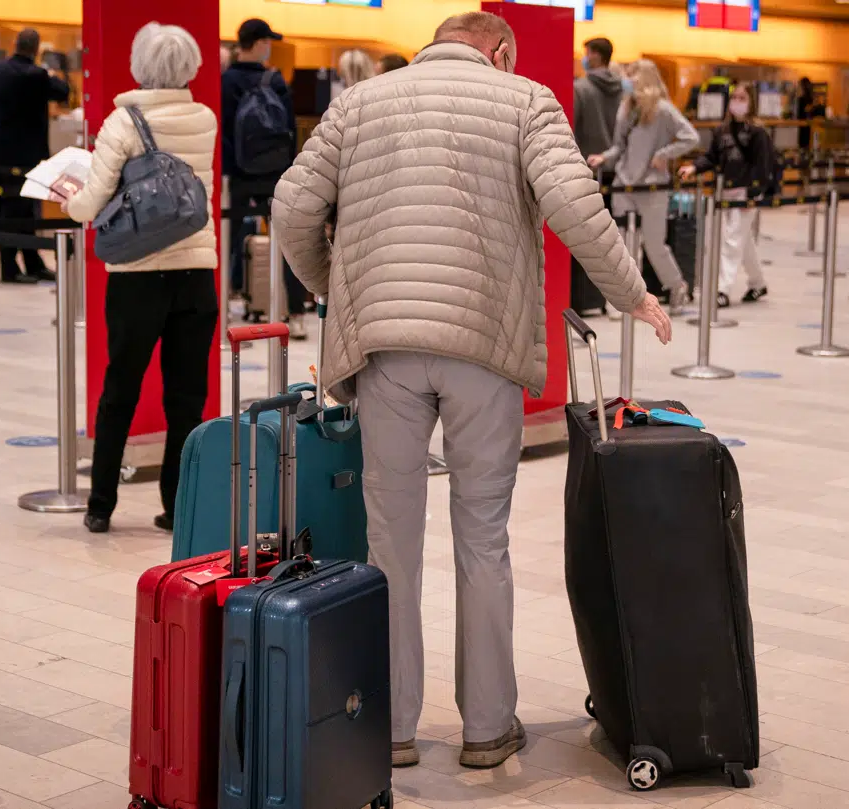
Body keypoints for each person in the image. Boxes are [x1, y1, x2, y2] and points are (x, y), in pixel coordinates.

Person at [271, 11, 672, 772]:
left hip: (384, 349)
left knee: (389, 542)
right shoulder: (524, 100)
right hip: (483, 345)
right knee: (483, 537)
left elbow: (292, 206)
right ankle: (488, 728)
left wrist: (340, 290)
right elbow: (574, 208)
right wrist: (632, 293)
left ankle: (389, 728)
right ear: (501, 50)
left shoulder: (359, 102)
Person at [61, 22, 217, 535]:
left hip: (137, 277)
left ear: (139, 65)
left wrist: (66, 194)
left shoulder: (123, 123)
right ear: (190, 66)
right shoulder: (205, 118)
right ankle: (178, 507)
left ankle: (101, 503)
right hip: (196, 273)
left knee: (120, 389)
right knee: (187, 398)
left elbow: (91, 202)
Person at [587, 60, 699, 307]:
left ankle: (676, 286)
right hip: (624, 184)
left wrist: (665, 154)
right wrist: (604, 157)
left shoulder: (663, 110)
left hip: (652, 187)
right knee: (623, 244)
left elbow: (691, 137)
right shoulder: (626, 109)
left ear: (645, 78)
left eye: (631, 75)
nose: (627, 81)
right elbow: (619, 145)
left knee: (654, 244)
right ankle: (626, 297)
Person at [221, 18, 308, 338]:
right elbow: (288, 128)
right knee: (287, 244)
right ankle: (295, 313)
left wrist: (231, 168)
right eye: (267, 41)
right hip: (275, 175)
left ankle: (223, 308)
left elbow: (225, 132)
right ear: (257, 43)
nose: (270, 47)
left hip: (238, 176)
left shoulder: (226, 81)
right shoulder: (275, 80)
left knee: (229, 240)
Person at [0, 29, 71, 284]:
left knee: (20, 206)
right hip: (29, 151)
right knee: (18, 208)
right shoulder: (37, 75)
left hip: (1, 148)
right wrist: (53, 68)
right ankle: (9, 267)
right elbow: (64, 91)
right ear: (36, 48)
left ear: (14, 44)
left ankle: (32, 262)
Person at [679, 83, 770, 306]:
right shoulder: (722, 131)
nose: (737, 102)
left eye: (742, 98)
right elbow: (712, 157)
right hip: (725, 191)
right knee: (742, 240)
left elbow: (763, 165)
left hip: (745, 192)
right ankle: (758, 283)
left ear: (751, 101)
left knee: (731, 240)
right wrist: (694, 167)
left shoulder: (758, 133)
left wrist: (753, 193)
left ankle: (723, 289)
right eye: (735, 97)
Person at [573, 37, 622, 162]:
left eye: (587, 53)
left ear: (596, 55)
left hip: (588, 161)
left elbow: (572, 124)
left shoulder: (580, 88)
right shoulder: (622, 88)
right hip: (616, 162)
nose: (585, 58)